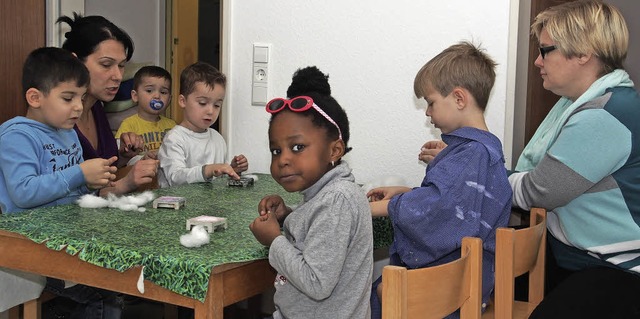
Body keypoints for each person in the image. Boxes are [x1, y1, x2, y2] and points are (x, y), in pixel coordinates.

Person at [507, 2, 640, 318]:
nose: (538, 61)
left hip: (617, 270)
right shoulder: (597, 104)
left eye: (545, 50)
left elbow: (539, 192)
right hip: (574, 255)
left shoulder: (603, 117)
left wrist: (478, 171)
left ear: (583, 53)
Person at [368, 42, 512, 318]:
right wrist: (406, 192)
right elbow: (460, 203)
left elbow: (441, 209)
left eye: (431, 102)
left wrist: (386, 207)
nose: (427, 112)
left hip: (450, 292)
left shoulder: (469, 156)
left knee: (377, 291)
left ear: (459, 98)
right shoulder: (486, 150)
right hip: (474, 284)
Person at [0, 47, 122, 318]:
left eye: (81, 97)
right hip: (31, 246)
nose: (78, 106)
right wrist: (80, 173)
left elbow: (70, 190)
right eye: (68, 98)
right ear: (35, 98)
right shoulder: (17, 136)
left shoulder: (67, 133)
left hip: (67, 239)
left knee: (117, 281)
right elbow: (23, 192)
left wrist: (91, 183)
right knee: (102, 297)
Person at [249, 66, 373, 319]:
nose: (283, 159)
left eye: (297, 147)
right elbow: (320, 231)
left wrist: (274, 240)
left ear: (334, 150)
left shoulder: (337, 199)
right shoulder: (331, 194)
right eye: (276, 150)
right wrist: (287, 215)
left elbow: (316, 282)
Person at [57, 13, 158, 195]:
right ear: (75, 62)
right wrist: (124, 184)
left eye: (121, 65)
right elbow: (63, 196)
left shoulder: (96, 106)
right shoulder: (56, 120)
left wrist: (122, 156)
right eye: (106, 64)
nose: (118, 76)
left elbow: (102, 171)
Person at [157, 61, 248, 188]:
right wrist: (207, 170)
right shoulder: (174, 139)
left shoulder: (217, 138)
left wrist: (232, 170)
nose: (211, 111)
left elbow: (218, 179)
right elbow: (175, 178)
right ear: (183, 101)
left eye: (217, 105)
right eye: (202, 103)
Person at [115, 65, 176, 158]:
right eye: (149, 90)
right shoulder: (129, 124)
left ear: (169, 100)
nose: (157, 96)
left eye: (163, 92)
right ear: (135, 96)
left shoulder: (173, 126)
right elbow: (120, 154)